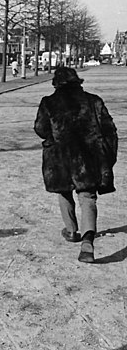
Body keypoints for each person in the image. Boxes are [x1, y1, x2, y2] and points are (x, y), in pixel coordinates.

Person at [34, 67, 118, 263]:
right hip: (89, 156)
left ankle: (71, 231)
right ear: (77, 81)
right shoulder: (94, 100)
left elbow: (40, 128)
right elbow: (109, 128)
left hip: (60, 156)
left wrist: (53, 137)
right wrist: (107, 157)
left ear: (56, 82)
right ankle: (88, 240)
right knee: (87, 196)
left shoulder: (48, 103)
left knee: (64, 191)